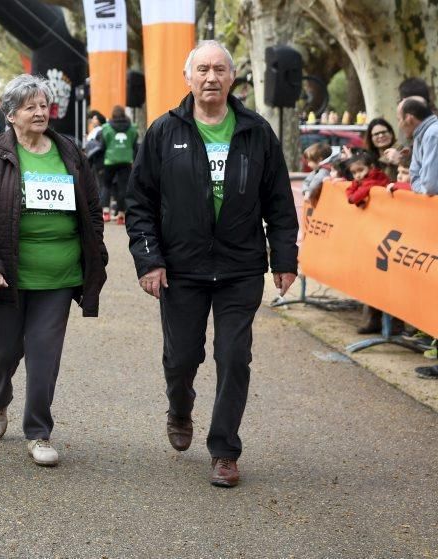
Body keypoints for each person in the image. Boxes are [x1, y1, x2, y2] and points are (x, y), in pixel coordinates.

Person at [125, 40, 298, 488]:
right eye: (202, 69)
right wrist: (149, 260)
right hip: (181, 269)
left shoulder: (256, 132)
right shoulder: (164, 132)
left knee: (234, 356)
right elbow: (139, 201)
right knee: (182, 357)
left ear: (232, 78)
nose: (211, 78)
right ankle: (180, 409)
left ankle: (224, 449)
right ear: (188, 78)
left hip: (240, 268)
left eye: (219, 69)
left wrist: (284, 259)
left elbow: (279, 204)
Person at [0, 74, 107, 467]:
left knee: (45, 354)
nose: (40, 112)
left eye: (43, 105)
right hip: (5, 275)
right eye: (30, 106)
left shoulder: (70, 152)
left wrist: (93, 250)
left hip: (58, 276)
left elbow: (92, 210)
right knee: (3, 350)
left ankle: (39, 431)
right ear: (10, 115)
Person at [100, 105, 138, 225]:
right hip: (126, 161)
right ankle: (121, 215)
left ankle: (106, 213)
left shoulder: (106, 128)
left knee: (106, 185)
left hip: (110, 161)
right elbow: (135, 146)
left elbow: (102, 146)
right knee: (123, 188)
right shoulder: (132, 128)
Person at [397, 96, 438, 195]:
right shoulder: (419, 135)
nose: (399, 125)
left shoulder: (432, 134)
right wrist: (422, 187)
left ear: (408, 118)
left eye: (398, 120)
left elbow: (431, 187)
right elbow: (414, 177)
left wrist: (421, 188)